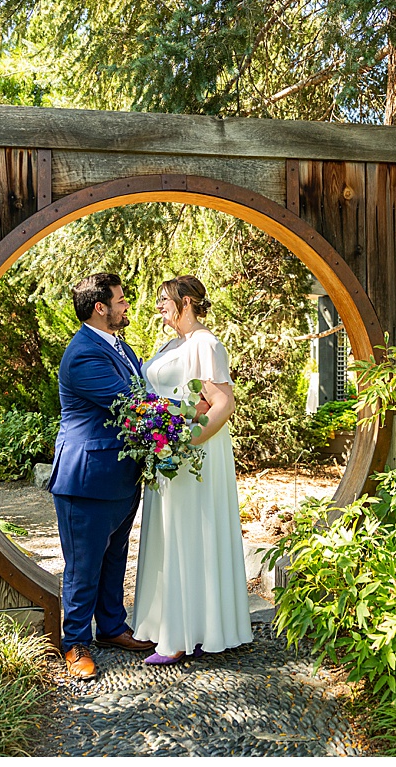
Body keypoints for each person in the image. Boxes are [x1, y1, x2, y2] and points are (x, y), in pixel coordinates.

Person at [132, 275, 254, 664]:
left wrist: (185, 442)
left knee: (189, 531)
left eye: (163, 300)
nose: (158, 307)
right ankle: (179, 625)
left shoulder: (206, 343)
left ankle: (183, 638)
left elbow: (222, 403)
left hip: (192, 453)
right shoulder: (172, 344)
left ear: (186, 302)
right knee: (170, 534)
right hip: (165, 450)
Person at [48, 272, 155, 680]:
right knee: (83, 566)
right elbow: (130, 401)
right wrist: (191, 408)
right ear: (100, 307)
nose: (126, 305)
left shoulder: (117, 345)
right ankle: (75, 643)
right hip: (87, 478)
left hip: (122, 474)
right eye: (121, 300)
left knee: (114, 557)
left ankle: (111, 628)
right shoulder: (83, 354)